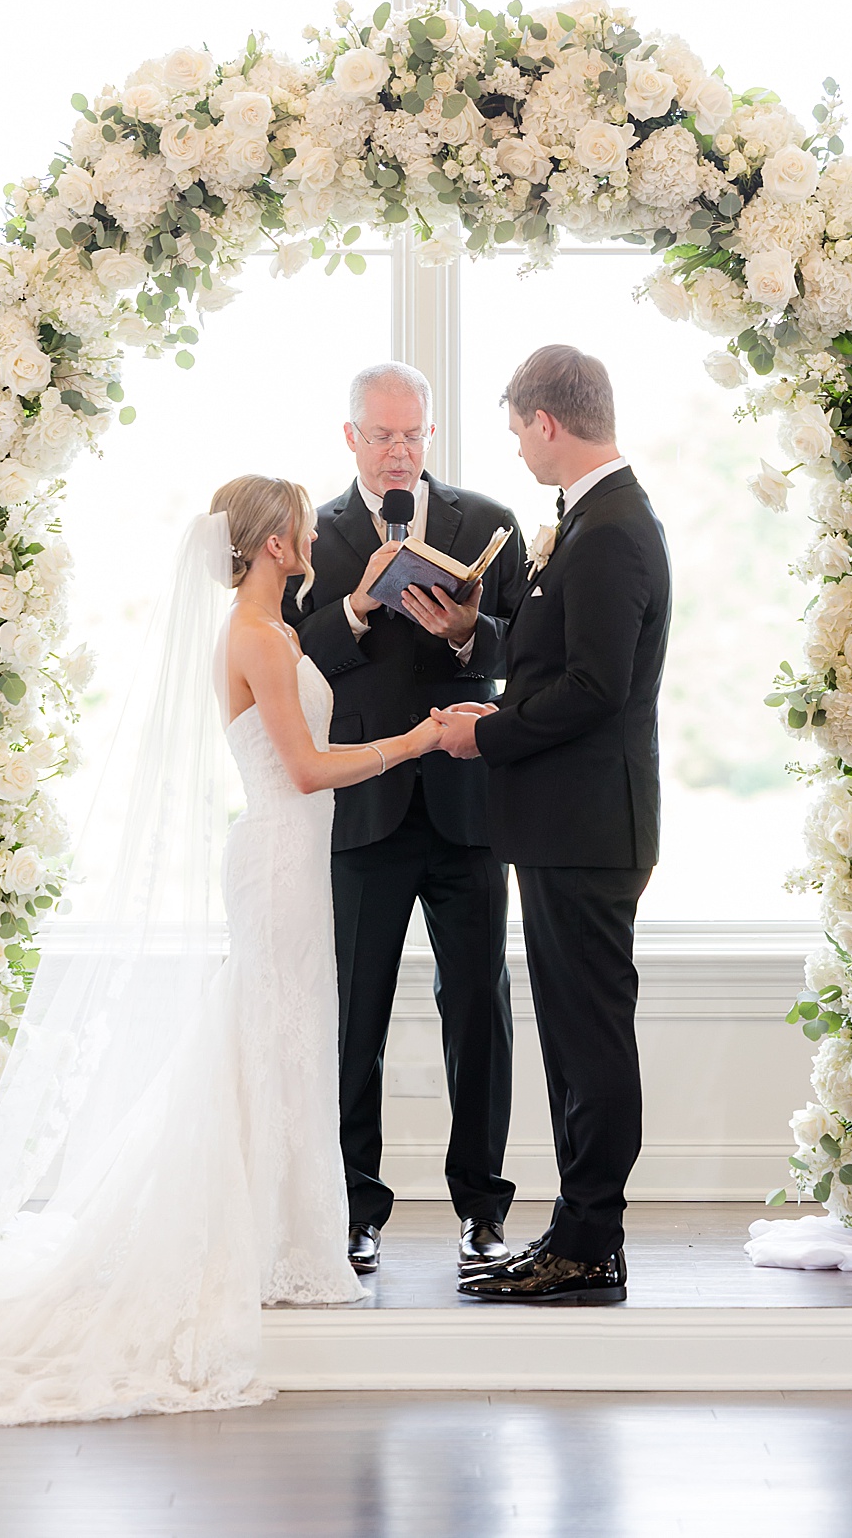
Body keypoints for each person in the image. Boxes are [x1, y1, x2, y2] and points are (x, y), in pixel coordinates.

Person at [0, 478, 446, 1423]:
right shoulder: (255, 637)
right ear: (275, 544)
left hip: (291, 856)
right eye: (296, 524)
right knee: (275, 1036)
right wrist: (418, 739)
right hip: (281, 857)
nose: (309, 534)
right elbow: (306, 768)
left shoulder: (279, 631)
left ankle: (285, 1241)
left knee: (280, 1040)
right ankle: (275, 1247)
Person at [431, 346, 671, 1308]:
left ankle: (590, 1241)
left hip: (586, 825)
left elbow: (594, 688)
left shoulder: (610, 528)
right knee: (575, 1037)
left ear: (546, 424)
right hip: (570, 824)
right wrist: (474, 635)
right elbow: (556, 658)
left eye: (517, 431)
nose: (519, 453)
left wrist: (483, 734)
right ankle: (579, 1231)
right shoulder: (592, 521)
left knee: (591, 1037)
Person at [286, 363, 528, 1278]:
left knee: (480, 1013)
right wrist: (353, 606)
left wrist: (467, 631)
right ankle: (354, 1209)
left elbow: (527, 648)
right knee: (355, 1017)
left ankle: (482, 1211)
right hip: (365, 804)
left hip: (468, 804)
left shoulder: (486, 522)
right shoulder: (312, 533)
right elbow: (290, 661)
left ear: (432, 436)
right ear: (349, 435)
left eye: (414, 435)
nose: (400, 451)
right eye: (383, 435)